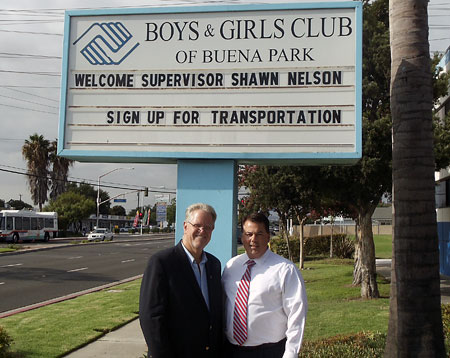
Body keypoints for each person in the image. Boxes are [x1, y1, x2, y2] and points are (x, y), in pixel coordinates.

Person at [139, 203, 223, 358]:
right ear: (185, 226)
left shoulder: (214, 265)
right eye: (197, 225)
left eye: (208, 227)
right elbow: (151, 318)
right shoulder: (162, 262)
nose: (202, 231)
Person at [222, 212, 308, 358]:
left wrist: (291, 353)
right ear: (242, 237)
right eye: (248, 234)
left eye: (259, 234)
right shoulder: (231, 266)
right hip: (232, 351)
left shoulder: (285, 269)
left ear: (268, 237)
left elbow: (297, 314)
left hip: (269, 351)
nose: (253, 239)